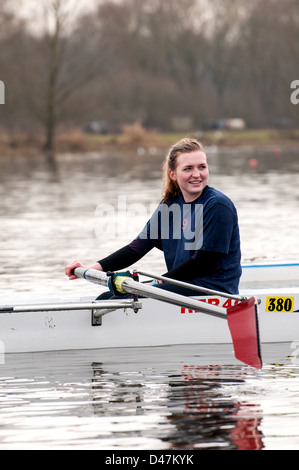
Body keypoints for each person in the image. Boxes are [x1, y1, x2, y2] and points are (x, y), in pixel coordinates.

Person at [65, 138, 242, 298]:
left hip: (215, 291)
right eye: (188, 168)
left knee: (127, 298)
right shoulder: (170, 205)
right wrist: (92, 268)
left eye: (202, 167)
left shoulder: (217, 205)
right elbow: (136, 249)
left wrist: (157, 282)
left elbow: (203, 262)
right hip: (183, 286)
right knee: (106, 297)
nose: (197, 174)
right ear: (173, 174)